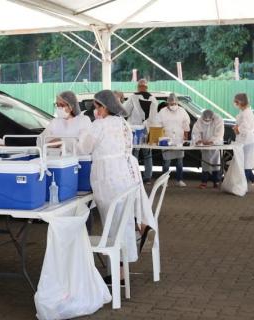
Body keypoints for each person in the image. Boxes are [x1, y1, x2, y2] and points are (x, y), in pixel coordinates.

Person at [77, 90, 156, 283]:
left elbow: (83, 148)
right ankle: (126, 262)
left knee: (112, 224)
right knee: (123, 222)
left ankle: (118, 273)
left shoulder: (99, 125)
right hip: (125, 174)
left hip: (107, 176)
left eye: (96, 107)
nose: (95, 111)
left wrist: (78, 139)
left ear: (104, 107)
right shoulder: (123, 123)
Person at [123, 79, 159, 184]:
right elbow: (154, 117)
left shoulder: (132, 98)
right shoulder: (153, 99)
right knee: (147, 154)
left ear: (138, 87)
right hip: (146, 130)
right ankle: (148, 177)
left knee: (134, 154)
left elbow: (125, 112)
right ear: (147, 88)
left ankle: (134, 176)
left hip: (134, 130)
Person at [157, 93, 190, 187]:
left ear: (178, 103)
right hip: (166, 139)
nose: (173, 105)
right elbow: (158, 125)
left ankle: (179, 179)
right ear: (167, 104)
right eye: (171, 104)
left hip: (179, 139)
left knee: (179, 161)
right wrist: (160, 138)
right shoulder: (162, 112)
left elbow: (186, 124)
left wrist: (186, 138)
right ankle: (164, 181)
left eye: (175, 103)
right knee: (167, 161)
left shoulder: (182, 111)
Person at [233, 93, 254, 192]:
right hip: (246, 140)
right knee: (245, 164)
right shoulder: (246, 111)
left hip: (245, 141)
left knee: (244, 165)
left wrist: (237, 129)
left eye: (235, 102)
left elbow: (245, 126)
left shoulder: (245, 113)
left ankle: (242, 187)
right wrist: (238, 128)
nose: (234, 104)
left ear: (239, 102)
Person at [192, 109, 224, 188]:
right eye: (205, 120)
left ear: (212, 118)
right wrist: (198, 140)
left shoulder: (218, 120)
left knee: (216, 163)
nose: (206, 121)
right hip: (204, 145)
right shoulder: (200, 120)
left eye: (208, 120)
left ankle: (216, 182)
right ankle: (204, 182)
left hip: (215, 145)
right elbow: (195, 131)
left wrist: (212, 142)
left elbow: (219, 134)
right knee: (205, 163)